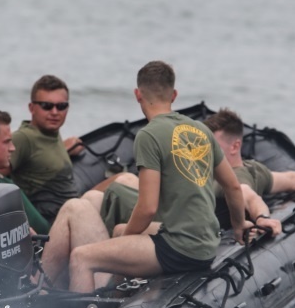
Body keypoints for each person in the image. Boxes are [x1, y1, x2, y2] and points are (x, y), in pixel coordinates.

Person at [67, 61, 251, 293]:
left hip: (180, 249)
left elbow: (147, 208)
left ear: (138, 95)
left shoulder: (149, 135)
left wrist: (125, 240)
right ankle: (115, 297)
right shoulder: (201, 130)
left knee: (81, 257)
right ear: (174, 95)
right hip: (205, 245)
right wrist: (239, 226)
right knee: (121, 230)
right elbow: (233, 187)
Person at [203, 108, 295, 233]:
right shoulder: (255, 170)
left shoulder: (233, 179)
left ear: (234, 147)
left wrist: (262, 218)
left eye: (212, 146)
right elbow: (292, 181)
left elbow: (248, 196)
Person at [8, 75, 82, 224]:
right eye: (46, 106)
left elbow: (41, 157)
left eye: (61, 106)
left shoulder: (51, 134)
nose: (54, 112)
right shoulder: (24, 138)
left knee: (117, 183)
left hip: (71, 209)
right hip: (51, 222)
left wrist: (66, 148)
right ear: (31, 108)